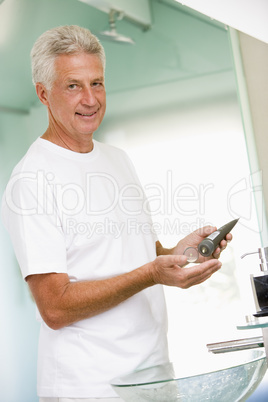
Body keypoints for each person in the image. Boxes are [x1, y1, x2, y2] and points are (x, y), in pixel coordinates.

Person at [1, 25, 230, 402]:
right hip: (90, 386)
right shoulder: (32, 180)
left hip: (154, 372)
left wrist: (178, 254)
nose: (90, 99)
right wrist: (150, 274)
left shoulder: (116, 159)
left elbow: (137, 256)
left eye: (97, 83)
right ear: (43, 93)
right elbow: (54, 307)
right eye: (73, 86)